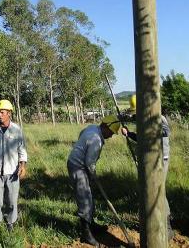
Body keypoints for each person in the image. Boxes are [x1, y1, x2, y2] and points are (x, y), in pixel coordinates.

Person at [121, 94, 174, 240]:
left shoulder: (158, 118)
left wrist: (147, 130)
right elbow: (141, 137)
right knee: (151, 189)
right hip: (150, 160)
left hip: (161, 159)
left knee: (158, 189)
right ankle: (154, 221)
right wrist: (130, 134)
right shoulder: (144, 118)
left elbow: (165, 132)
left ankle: (166, 225)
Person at [67, 115, 121, 246]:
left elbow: (81, 134)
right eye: (111, 132)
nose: (111, 136)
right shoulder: (96, 138)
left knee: (89, 196)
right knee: (84, 198)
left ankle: (91, 224)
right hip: (78, 167)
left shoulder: (92, 128)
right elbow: (90, 162)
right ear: (105, 127)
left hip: (80, 165)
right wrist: (93, 176)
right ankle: (86, 234)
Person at [0, 99, 27, 231]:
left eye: (2, 112)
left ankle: (10, 223)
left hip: (12, 171)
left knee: (11, 200)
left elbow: (22, 149)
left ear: (9, 113)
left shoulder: (16, 130)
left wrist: (22, 165)